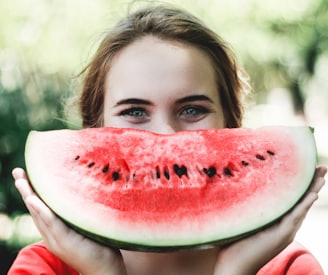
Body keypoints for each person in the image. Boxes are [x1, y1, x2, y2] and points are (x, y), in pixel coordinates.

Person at [9, 4, 327, 275]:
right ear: (95, 128)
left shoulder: (289, 268)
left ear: (232, 124)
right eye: (134, 111)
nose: (165, 137)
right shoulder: (45, 266)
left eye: (192, 109)